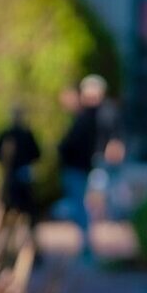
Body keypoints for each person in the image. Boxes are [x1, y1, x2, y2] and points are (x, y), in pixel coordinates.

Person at [56, 74, 113, 232]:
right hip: (80, 165)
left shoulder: (100, 115)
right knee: (83, 203)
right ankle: (88, 239)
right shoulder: (84, 116)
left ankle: (90, 242)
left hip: (89, 165)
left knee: (91, 203)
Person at [0, 106, 41, 218]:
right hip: (22, 171)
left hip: (11, 172)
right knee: (26, 203)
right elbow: (37, 154)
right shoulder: (26, 134)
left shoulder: (5, 134)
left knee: (10, 201)